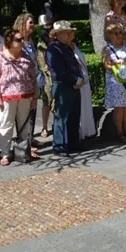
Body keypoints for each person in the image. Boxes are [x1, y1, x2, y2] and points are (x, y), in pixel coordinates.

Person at [0, 30, 39, 165]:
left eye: (22, 39)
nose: (22, 41)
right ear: (9, 42)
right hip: (7, 97)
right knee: (6, 125)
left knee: (25, 126)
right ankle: (5, 153)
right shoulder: (0, 58)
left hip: (26, 96)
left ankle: (23, 151)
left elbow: (33, 78)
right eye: (18, 40)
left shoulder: (26, 57)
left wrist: (35, 97)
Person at [45, 21, 85, 156]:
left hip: (73, 85)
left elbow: (75, 65)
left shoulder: (67, 48)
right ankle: (59, 145)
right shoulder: (53, 49)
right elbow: (57, 70)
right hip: (63, 86)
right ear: (58, 34)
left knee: (74, 115)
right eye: (67, 32)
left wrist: (80, 78)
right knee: (61, 116)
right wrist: (75, 79)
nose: (70, 34)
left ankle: (73, 142)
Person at [103, 26, 126, 142]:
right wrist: (119, 63)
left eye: (120, 33)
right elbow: (107, 64)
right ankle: (119, 132)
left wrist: (121, 61)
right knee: (119, 107)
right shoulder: (107, 49)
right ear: (110, 35)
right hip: (115, 80)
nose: (119, 35)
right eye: (115, 33)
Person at [71, 36, 96, 140]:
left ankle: (88, 131)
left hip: (84, 79)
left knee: (86, 106)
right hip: (77, 81)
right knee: (80, 108)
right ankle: (80, 133)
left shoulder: (75, 46)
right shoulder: (65, 49)